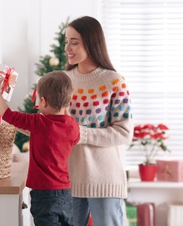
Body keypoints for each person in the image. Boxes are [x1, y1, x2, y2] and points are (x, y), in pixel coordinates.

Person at [0, 70, 80, 226]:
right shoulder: (73, 126)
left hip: (44, 194)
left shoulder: (38, 123)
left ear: (43, 101)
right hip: (65, 193)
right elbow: (70, 137)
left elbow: (8, 115)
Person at [64, 16, 134, 226]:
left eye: (74, 42)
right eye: (66, 41)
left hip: (105, 181)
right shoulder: (63, 80)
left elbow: (124, 133)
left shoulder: (114, 81)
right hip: (68, 179)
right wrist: (5, 114)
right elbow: (48, 127)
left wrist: (79, 132)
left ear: (92, 43)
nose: (68, 48)